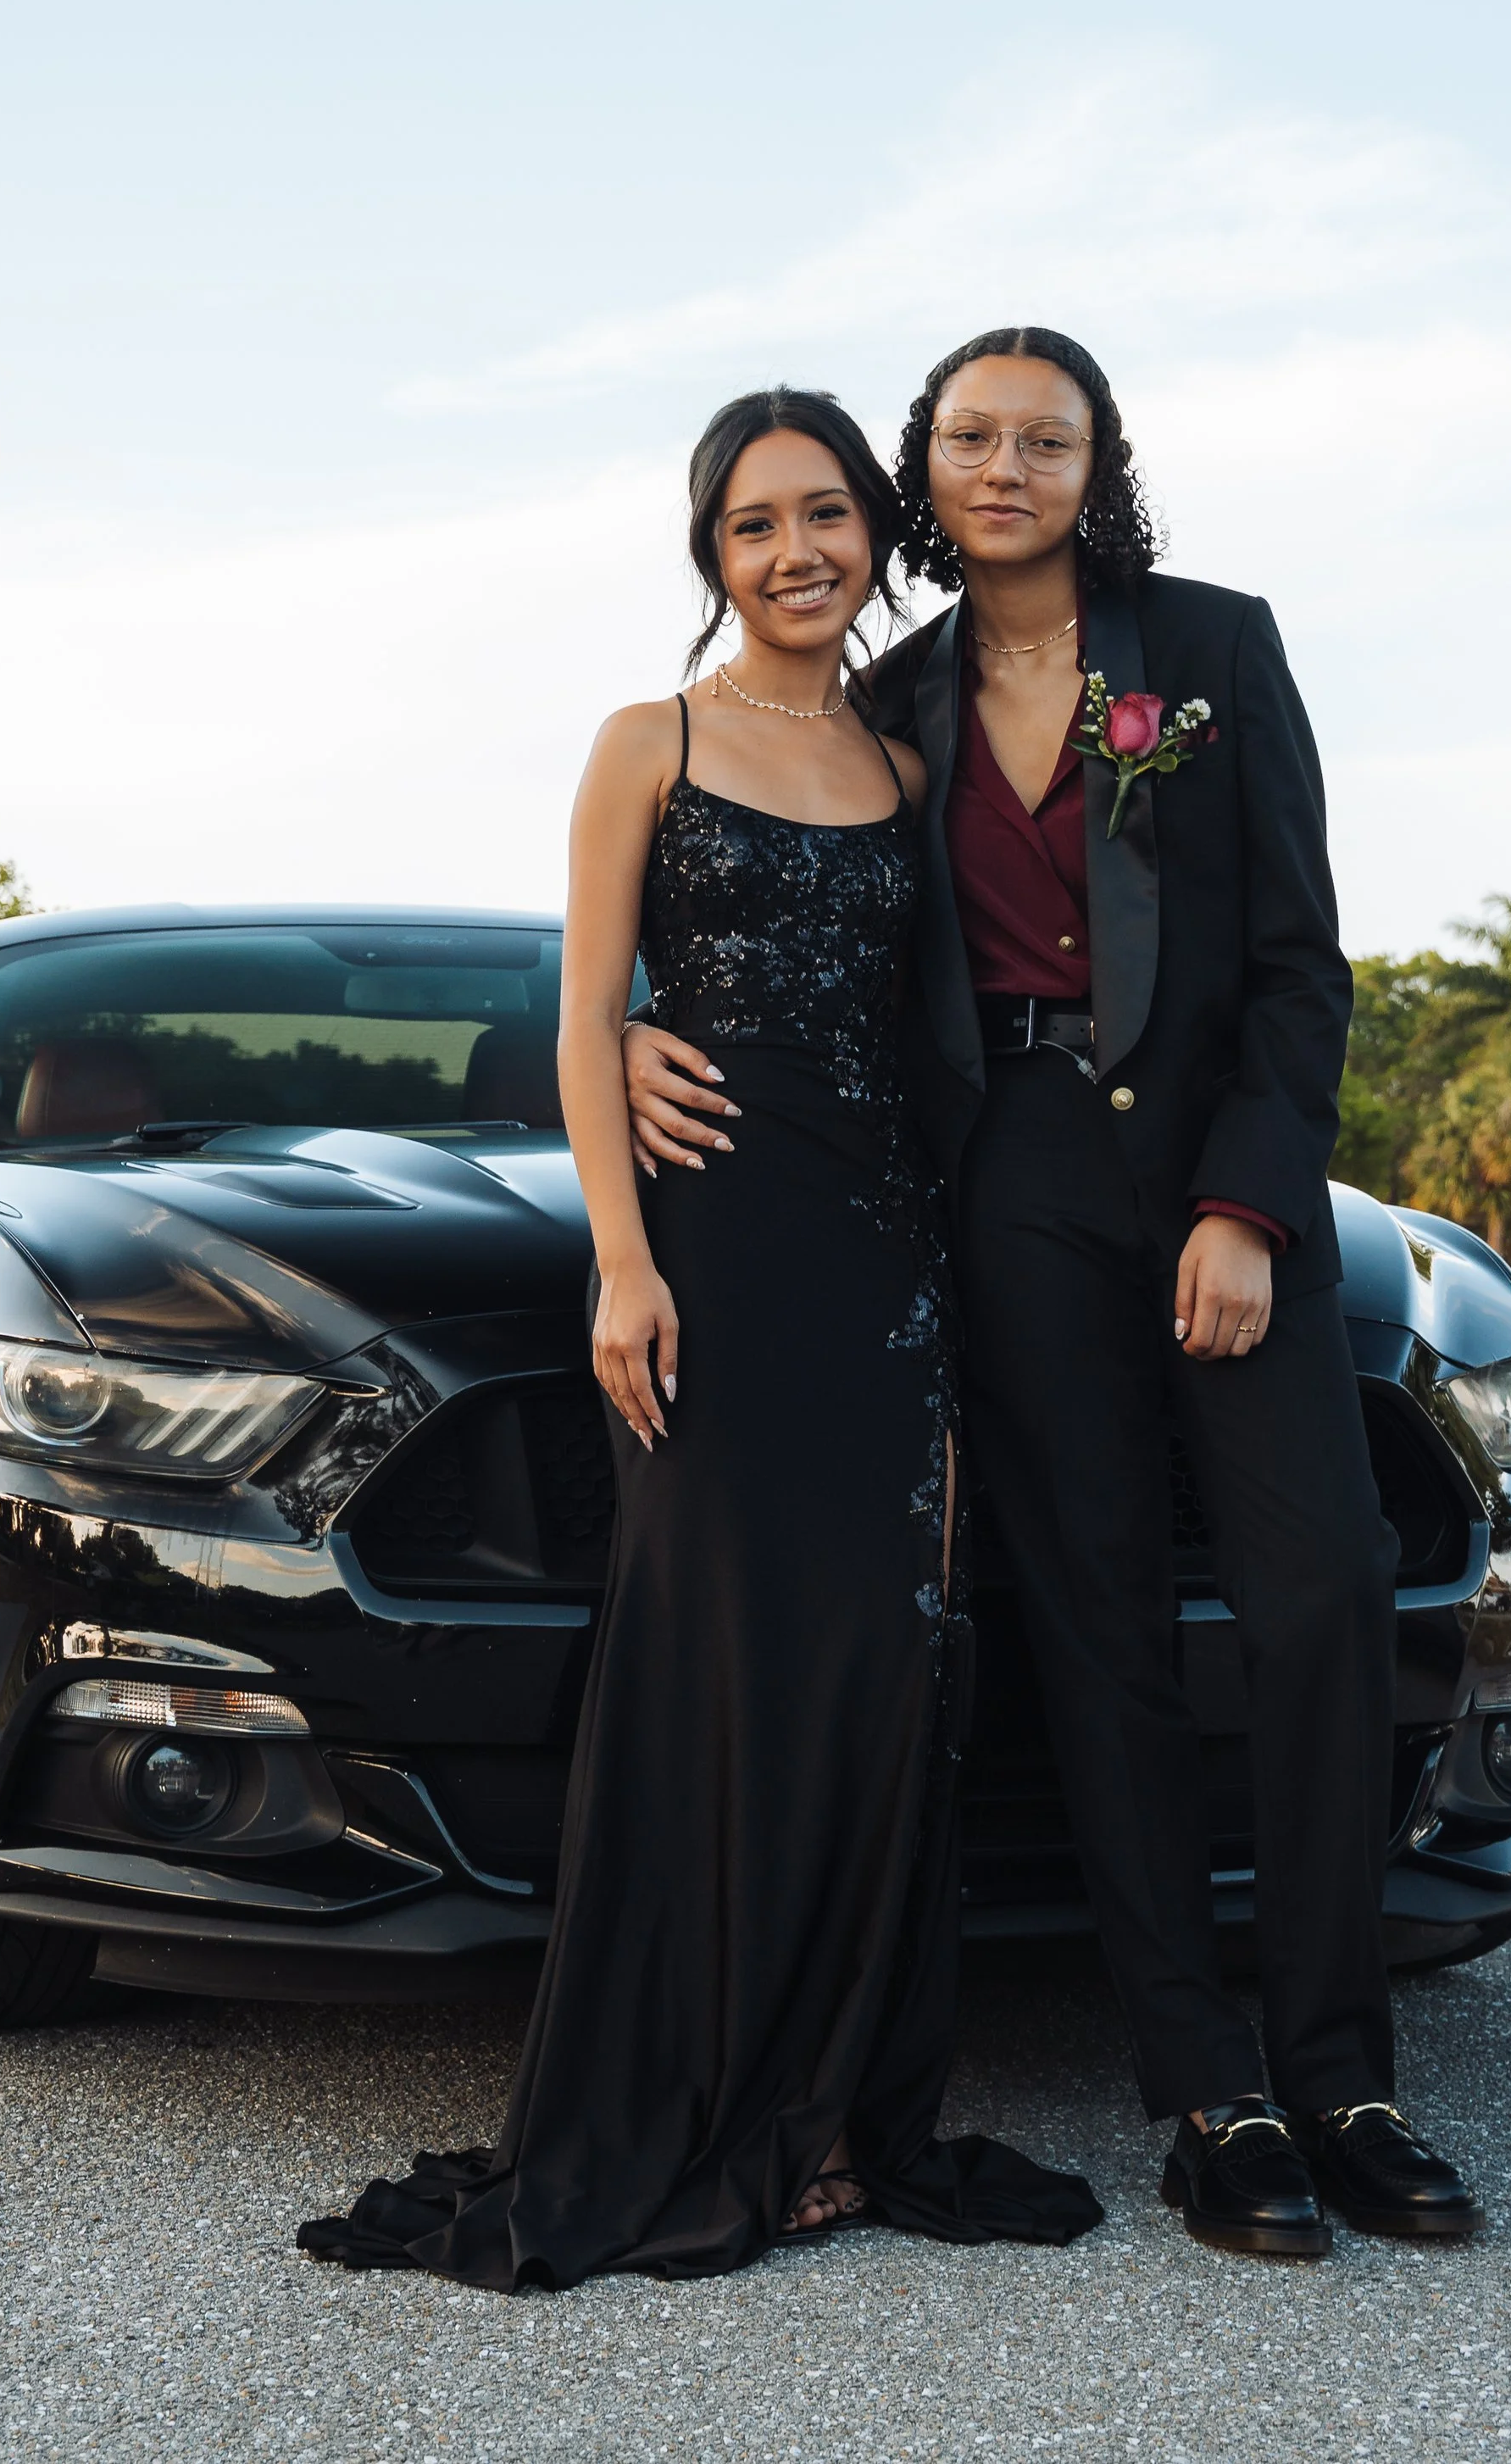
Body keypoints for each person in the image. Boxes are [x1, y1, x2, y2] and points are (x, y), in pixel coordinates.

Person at [625, 328, 1483, 2258]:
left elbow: (1292, 957)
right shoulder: (901, 696)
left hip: (1204, 1172)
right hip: (1001, 1181)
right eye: (967, 437)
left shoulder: (1211, 649)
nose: (1002, 465)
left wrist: (1249, 1200)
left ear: (1098, 462)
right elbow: (755, 909)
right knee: (1092, 1618)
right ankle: (1209, 2090)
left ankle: (1342, 2069)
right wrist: (613, 1037)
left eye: (1043, 436)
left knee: (1318, 1585)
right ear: (922, 473)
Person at [297, 387, 1102, 2289]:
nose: (795, 551)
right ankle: (696, 2097)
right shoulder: (641, 739)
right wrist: (621, 1261)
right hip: (715, 1267)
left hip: (888, 1269)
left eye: (825, 513)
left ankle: (826, 2105)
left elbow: (948, 1019)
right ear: (709, 555)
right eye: (753, 525)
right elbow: (586, 1013)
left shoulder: (908, 753)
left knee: (870, 1676)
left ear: (872, 534)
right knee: (718, 1675)